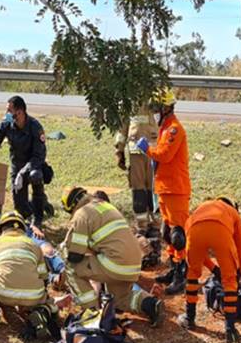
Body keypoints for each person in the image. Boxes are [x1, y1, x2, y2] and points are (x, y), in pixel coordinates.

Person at [59, 186, 164, 325]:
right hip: (134, 263)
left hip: (114, 263)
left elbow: (74, 256)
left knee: (72, 268)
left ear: (71, 206)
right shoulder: (105, 206)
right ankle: (150, 304)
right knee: (120, 299)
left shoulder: (81, 214)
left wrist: (63, 249)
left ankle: (91, 313)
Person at [135, 87, 190, 295]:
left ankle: (181, 276)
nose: (155, 111)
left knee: (178, 235)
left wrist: (147, 149)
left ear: (166, 107)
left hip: (176, 189)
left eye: (157, 107)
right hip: (166, 188)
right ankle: (173, 269)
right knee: (168, 234)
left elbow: (165, 155)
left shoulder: (174, 129)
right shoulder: (165, 128)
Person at [0, 210, 59, 338]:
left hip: (3, 293)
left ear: (1, 228)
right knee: (48, 303)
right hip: (33, 296)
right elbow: (44, 277)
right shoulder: (34, 245)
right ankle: (43, 310)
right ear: (23, 228)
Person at [179, 197, 241, 343]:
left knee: (192, 274)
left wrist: (213, 268)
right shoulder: (233, 213)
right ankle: (230, 330)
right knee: (229, 280)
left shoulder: (203, 206)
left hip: (193, 229)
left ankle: (189, 317)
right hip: (220, 231)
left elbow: (198, 249)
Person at [0, 95, 50, 228]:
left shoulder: (35, 127)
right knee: (21, 210)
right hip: (17, 165)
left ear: (20, 112)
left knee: (35, 176)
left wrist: (23, 173)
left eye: (9, 111)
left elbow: (39, 155)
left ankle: (38, 218)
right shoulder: (7, 124)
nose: (7, 114)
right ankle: (40, 204)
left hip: (33, 165)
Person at [0, 207, 64, 284]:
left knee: (42, 253)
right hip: (20, 236)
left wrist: (33, 227)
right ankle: (58, 273)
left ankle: (58, 274)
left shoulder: (1, 218)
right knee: (41, 254)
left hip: (21, 236)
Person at [115, 113, 160, 237]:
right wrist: (119, 150)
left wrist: (119, 151)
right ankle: (144, 225)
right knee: (140, 189)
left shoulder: (157, 98)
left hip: (153, 151)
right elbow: (123, 127)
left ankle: (154, 224)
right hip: (140, 150)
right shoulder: (130, 99)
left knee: (152, 188)